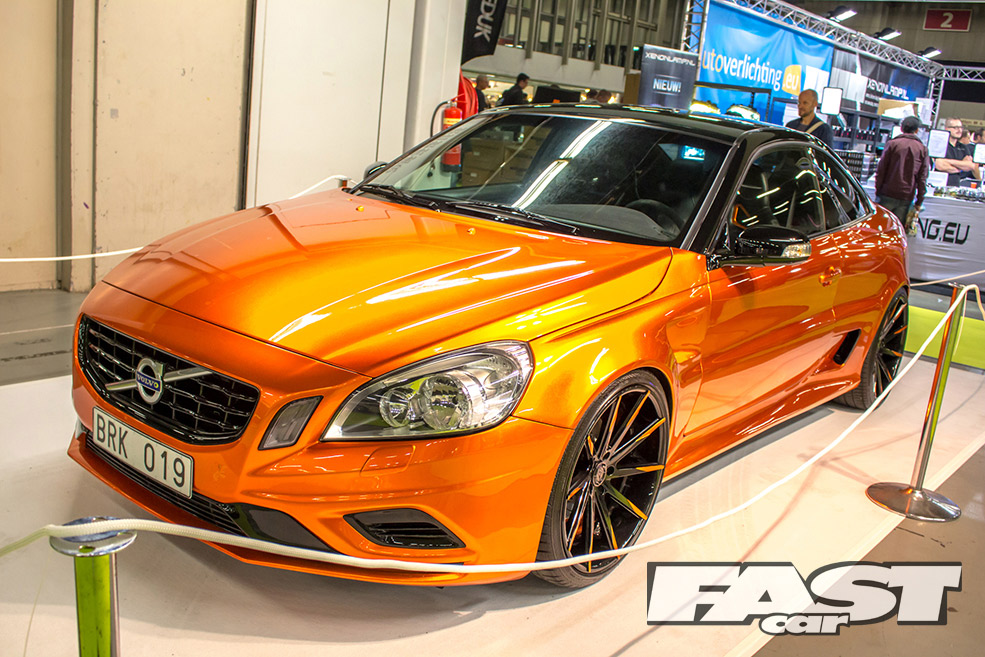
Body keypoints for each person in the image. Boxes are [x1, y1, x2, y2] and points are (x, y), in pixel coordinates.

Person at [875, 115, 929, 228]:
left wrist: (878, 190)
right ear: (917, 130)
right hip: (906, 196)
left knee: (880, 227)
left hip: (887, 192)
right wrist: (919, 201)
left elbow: (881, 169)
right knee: (897, 229)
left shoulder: (892, 144)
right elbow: (922, 177)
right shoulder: (922, 149)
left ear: (901, 128)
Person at [933, 118, 980, 185]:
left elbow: (970, 166)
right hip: (939, 185)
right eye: (955, 127)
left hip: (955, 185)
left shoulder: (963, 147)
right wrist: (961, 167)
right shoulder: (940, 145)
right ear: (947, 128)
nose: (959, 130)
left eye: (961, 127)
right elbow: (939, 165)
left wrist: (947, 161)